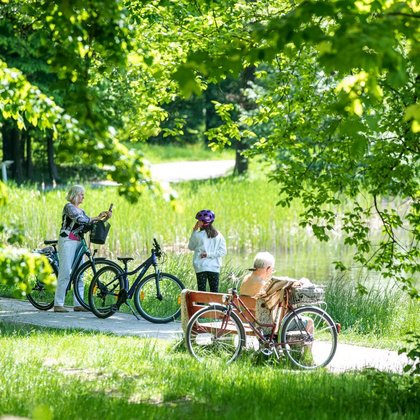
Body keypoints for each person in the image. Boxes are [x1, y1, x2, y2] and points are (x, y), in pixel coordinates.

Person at [54, 185, 112, 313]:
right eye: (81, 194)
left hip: (79, 242)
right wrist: (97, 217)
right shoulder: (69, 207)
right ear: (74, 195)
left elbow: (90, 224)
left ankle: (78, 304)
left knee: (80, 273)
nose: (83, 197)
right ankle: (58, 304)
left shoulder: (82, 211)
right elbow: (79, 220)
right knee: (65, 271)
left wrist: (105, 217)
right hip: (67, 241)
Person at [188, 209, 227, 292]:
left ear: (202, 222)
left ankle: (201, 305)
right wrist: (209, 254)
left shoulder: (198, 235)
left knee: (201, 292)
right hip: (214, 267)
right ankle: (214, 305)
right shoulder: (219, 235)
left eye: (198, 220)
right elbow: (223, 251)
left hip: (201, 266)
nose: (197, 222)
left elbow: (191, 247)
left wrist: (194, 230)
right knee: (214, 292)